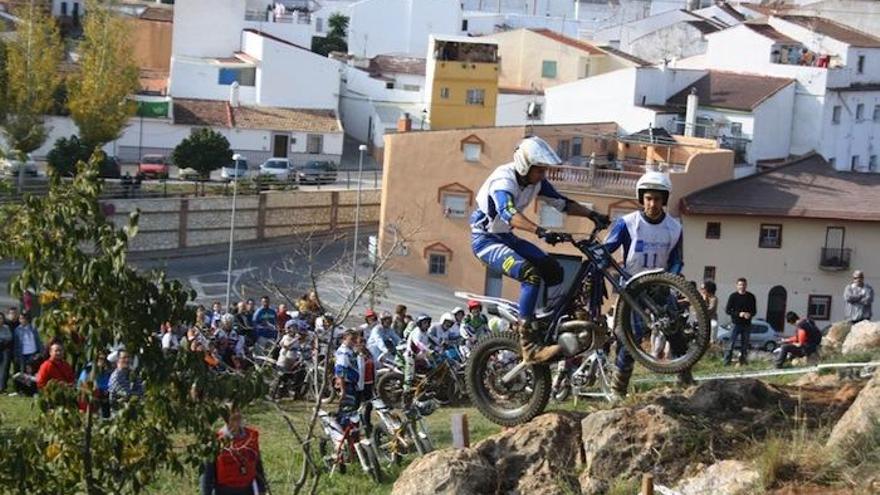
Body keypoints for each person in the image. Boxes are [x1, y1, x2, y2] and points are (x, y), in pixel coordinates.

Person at [469, 136, 610, 362]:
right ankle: (528, 345)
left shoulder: (536, 183)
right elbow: (508, 213)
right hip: (485, 241)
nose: (543, 175)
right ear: (525, 166)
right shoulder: (503, 182)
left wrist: (592, 215)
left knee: (553, 269)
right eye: (539, 170)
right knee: (530, 274)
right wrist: (540, 231)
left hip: (506, 237)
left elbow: (562, 203)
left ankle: (548, 320)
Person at [604, 170, 690, 397]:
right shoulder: (627, 224)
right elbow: (607, 248)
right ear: (642, 199)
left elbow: (677, 260)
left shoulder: (674, 228)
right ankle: (618, 388)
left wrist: (669, 278)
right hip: (632, 286)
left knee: (674, 328)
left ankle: (684, 376)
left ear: (664, 200)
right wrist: (601, 260)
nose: (652, 204)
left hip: (660, 285)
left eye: (657, 199)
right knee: (629, 336)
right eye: (648, 198)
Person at [201, 404, 268, 495]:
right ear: (225, 418)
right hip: (225, 490)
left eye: (238, 417)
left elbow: (257, 464)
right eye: (233, 418)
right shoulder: (215, 441)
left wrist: (262, 489)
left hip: (248, 489)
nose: (236, 422)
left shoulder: (251, 436)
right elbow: (207, 474)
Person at [723, 278, 757, 366]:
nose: (742, 286)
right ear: (737, 286)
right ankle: (726, 362)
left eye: (744, 285)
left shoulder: (751, 297)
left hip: (747, 324)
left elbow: (754, 311)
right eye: (740, 285)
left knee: (745, 345)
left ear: (746, 285)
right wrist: (739, 314)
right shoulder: (733, 296)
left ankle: (742, 362)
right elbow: (727, 310)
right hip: (735, 323)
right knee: (731, 344)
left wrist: (749, 314)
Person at [403, 315, 433, 401]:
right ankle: (405, 396)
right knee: (409, 376)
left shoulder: (425, 333)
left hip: (420, 356)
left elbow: (433, 340)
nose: (427, 325)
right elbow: (418, 343)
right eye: (424, 323)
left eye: (428, 323)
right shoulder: (417, 332)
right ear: (419, 324)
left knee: (431, 370)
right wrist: (427, 350)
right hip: (411, 355)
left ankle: (425, 391)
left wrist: (440, 346)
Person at [333, 329, 360, 418]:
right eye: (352, 339)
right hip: (346, 384)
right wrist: (343, 390)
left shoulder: (350, 350)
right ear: (344, 338)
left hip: (352, 383)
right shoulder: (344, 352)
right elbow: (340, 371)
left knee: (352, 408)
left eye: (355, 339)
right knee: (347, 410)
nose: (354, 341)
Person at [78, 352, 113, 418]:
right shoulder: (88, 370)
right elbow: (81, 386)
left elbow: (109, 385)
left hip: (104, 401)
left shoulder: (107, 371)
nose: (102, 361)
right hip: (89, 402)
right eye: (100, 358)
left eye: (104, 359)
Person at [355, 334, 375, 434]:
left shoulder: (369, 354)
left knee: (369, 405)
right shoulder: (356, 356)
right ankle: (358, 425)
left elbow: (373, 367)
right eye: (360, 344)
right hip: (360, 384)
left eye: (364, 343)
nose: (362, 345)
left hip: (369, 383)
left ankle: (367, 423)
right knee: (359, 406)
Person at [0, 313, 12, 393]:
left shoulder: (6, 328)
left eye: (1, 318)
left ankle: (1, 387)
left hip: (4, 349)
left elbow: (9, 337)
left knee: (4, 368)